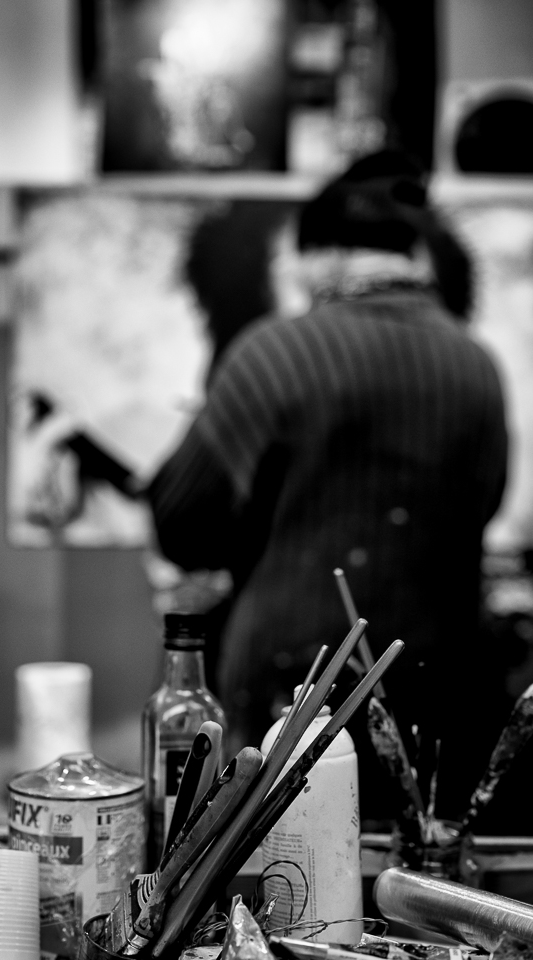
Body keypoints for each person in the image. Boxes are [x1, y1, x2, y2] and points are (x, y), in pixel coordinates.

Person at [146, 149, 509, 824]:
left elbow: (183, 524)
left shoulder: (276, 353)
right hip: (438, 698)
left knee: (283, 872)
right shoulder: (477, 366)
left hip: (291, 696)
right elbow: (483, 505)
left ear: (323, 257)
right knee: (406, 874)